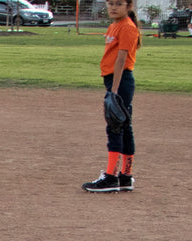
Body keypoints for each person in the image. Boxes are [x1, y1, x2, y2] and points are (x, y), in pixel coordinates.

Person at [82, 0, 140, 193]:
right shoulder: (114, 25)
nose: (113, 7)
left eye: (119, 3)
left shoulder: (127, 27)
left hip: (120, 80)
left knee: (115, 126)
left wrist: (114, 90)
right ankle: (125, 176)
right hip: (114, 80)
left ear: (129, 6)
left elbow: (121, 59)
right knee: (123, 125)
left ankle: (111, 176)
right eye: (110, 3)